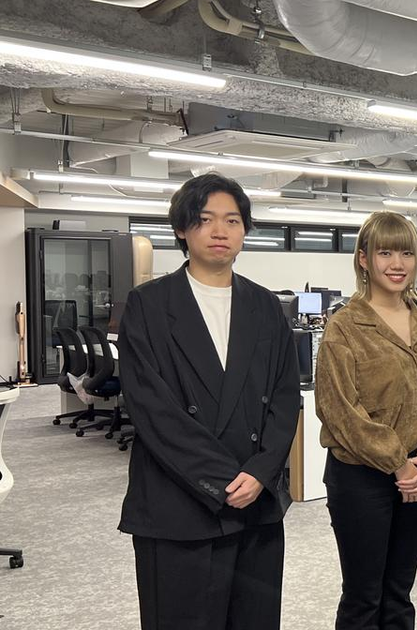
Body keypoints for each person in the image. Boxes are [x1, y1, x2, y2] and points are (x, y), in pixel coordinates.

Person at [117, 173, 300, 630]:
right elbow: (152, 409)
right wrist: (223, 481)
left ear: (244, 231)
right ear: (182, 229)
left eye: (232, 220)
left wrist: (260, 472)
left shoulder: (266, 306)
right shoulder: (148, 305)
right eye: (205, 219)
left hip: (256, 504)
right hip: (178, 506)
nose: (220, 231)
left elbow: (284, 397)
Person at [315, 211, 417, 629]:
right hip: (362, 478)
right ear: (364, 259)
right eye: (385, 253)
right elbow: (340, 411)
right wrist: (399, 464)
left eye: (407, 253)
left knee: (399, 591)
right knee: (363, 597)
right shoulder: (345, 327)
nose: (397, 264)